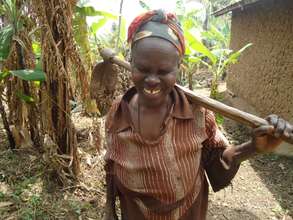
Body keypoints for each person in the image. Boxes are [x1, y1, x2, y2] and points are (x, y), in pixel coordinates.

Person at [103, 10, 293, 220]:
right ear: (131, 63)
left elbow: (217, 162)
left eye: (164, 71)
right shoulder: (117, 114)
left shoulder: (198, 115)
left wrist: (254, 147)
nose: (152, 80)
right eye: (142, 68)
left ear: (178, 68)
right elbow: (113, 167)